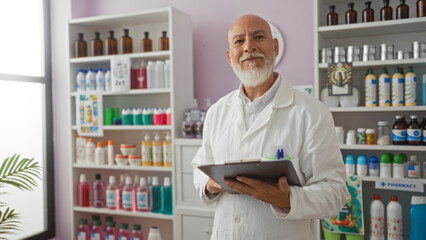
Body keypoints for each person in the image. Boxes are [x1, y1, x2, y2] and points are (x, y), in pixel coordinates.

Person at [192, 14, 349, 240]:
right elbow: (199, 166)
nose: (248, 47)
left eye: (258, 37)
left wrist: (286, 199)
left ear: (274, 47)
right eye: (239, 41)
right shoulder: (217, 112)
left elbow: (335, 191)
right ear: (230, 57)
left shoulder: (312, 112)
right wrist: (210, 183)